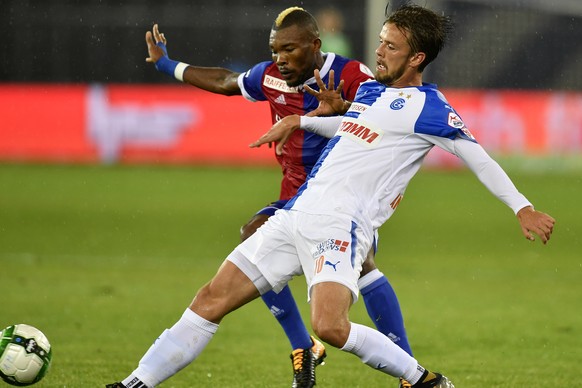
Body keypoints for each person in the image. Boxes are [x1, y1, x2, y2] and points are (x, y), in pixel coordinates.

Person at [107, 3, 556, 387]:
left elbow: (477, 156)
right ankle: (132, 383)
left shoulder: (430, 108)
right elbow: (352, 128)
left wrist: (522, 206)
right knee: (210, 299)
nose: (378, 51)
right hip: (297, 214)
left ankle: (423, 380)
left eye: (391, 46)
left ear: (417, 58)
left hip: (342, 225)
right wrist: (300, 121)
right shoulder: (373, 93)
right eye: (380, 41)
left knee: (330, 326)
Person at [141, 6, 414, 387]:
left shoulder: (351, 75)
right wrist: (167, 64)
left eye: (289, 50)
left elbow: (385, 120)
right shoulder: (269, 77)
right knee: (252, 233)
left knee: (363, 265)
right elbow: (226, 81)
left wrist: (344, 109)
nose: (280, 60)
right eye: (274, 51)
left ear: (315, 45)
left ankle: (409, 368)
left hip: (343, 202)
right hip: (293, 201)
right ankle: (304, 347)